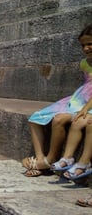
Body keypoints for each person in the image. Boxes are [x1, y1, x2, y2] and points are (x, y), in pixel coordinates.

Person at [21, 25, 92, 176]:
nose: (86, 48)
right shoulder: (84, 63)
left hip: (88, 104)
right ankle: (41, 159)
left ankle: (50, 160)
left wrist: (86, 108)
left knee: (60, 119)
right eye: (83, 45)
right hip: (78, 99)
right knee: (35, 118)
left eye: (90, 44)